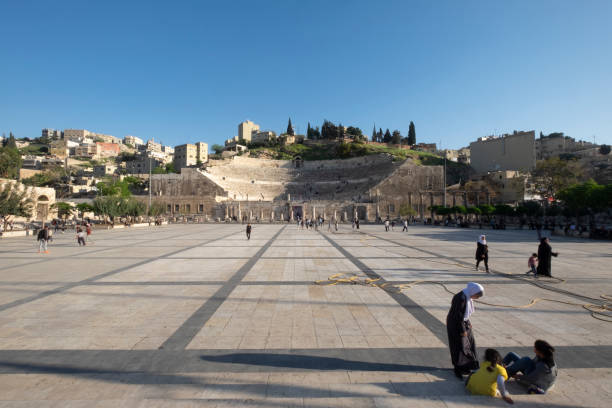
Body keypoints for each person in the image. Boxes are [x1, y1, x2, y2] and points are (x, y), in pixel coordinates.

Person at [447, 282, 484, 378]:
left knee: (470, 343)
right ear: (473, 292)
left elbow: (464, 314)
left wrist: (468, 323)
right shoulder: (461, 298)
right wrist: (462, 330)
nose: (476, 298)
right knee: (459, 346)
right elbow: (458, 316)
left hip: (463, 322)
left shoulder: (467, 296)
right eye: (477, 296)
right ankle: (459, 367)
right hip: (455, 325)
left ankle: (471, 364)